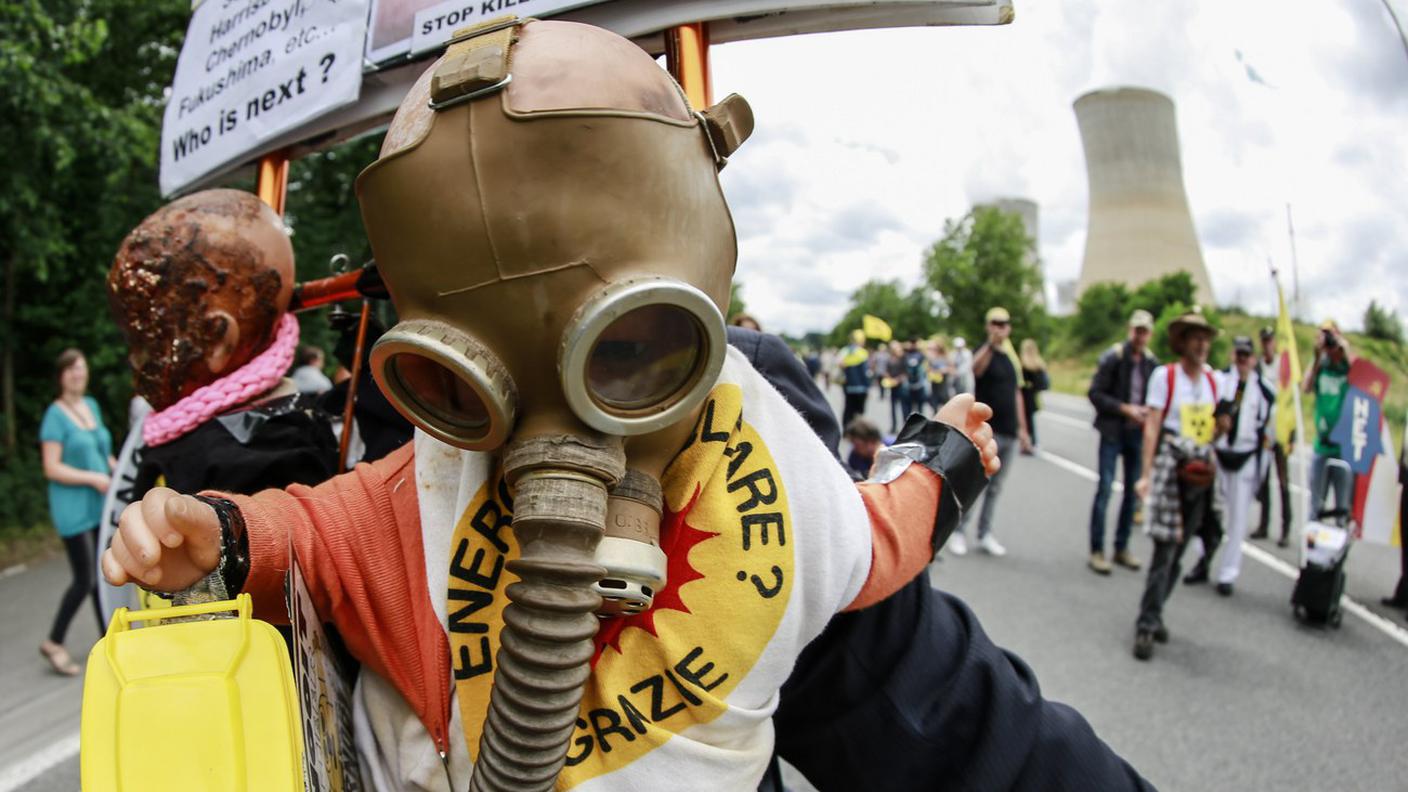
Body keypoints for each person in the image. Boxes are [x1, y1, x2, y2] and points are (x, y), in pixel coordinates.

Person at [102, 22, 1009, 790]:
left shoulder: (765, 444)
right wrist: (221, 533)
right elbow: (319, 536)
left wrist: (941, 464)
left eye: (626, 351)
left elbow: (867, 536)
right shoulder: (429, 483)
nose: (560, 421)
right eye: (468, 379)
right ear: (428, 375)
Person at [1132, 309, 1223, 661]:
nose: (1202, 344)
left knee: (1184, 550)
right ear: (1182, 341)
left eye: (1205, 338)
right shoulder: (1165, 377)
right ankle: (1146, 623)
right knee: (1164, 551)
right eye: (1195, 337)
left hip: (1202, 469)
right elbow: (1152, 426)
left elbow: (1214, 429)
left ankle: (1155, 612)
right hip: (1173, 468)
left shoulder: (1214, 381)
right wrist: (1146, 474)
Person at [39, 348, 112, 676]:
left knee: (101, 574)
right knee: (85, 578)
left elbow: (102, 453)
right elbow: (51, 468)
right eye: (70, 369)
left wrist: (121, 473)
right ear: (61, 376)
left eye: (81, 368)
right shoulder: (54, 416)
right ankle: (54, 641)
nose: (77, 374)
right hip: (72, 507)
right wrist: (93, 478)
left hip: (98, 504)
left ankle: (108, 640)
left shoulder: (91, 406)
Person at [947, 307, 1032, 557]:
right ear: (988, 326)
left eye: (1004, 324)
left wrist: (1024, 429)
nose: (999, 328)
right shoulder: (986, 353)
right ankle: (959, 532)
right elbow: (975, 369)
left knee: (996, 487)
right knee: (977, 483)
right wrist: (990, 345)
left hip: (1009, 430)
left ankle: (985, 533)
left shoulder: (1011, 358)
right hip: (987, 430)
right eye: (995, 323)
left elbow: (1017, 393)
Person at [1194, 336, 1274, 596]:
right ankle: (1202, 559)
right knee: (1207, 512)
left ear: (1253, 358)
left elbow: (1268, 431)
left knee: (1238, 518)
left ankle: (1228, 573)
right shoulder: (1218, 381)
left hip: (1245, 457)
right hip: (1219, 452)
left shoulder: (1264, 390)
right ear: (1232, 355)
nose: (1241, 360)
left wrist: (1262, 470)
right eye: (1238, 354)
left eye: (1246, 356)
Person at [1086, 310, 1157, 575]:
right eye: (1137, 330)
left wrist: (1146, 415)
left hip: (1136, 434)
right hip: (1113, 430)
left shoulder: (1152, 364)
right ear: (1131, 330)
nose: (1140, 336)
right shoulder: (1114, 357)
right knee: (1105, 488)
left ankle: (1121, 546)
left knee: (1131, 491)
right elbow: (1095, 393)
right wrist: (1124, 408)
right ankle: (1097, 549)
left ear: (1150, 334)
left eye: (1145, 331)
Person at [1303, 319, 1356, 516]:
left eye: (1331, 335)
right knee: (1315, 506)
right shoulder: (1320, 365)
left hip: (1344, 447)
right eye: (1324, 335)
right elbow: (1306, 387)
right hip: (1321, 444)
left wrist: (1344, 351)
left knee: (1343, 509)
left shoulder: (1347, 366)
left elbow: (1362, 383)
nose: (1328, 341)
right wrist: (1317, 357)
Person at [1253, 326, 1293, 546]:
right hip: (1264, 430)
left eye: (1270, 340)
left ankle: (1286, 528)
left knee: (1283, 481)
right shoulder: (1258, 366)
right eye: (1264, 340)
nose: (1267, 344)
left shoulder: (1283, 367)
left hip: (1282, 430)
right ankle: (1263, 524)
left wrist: (1293, 434)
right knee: (1264, 479)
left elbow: (1290, 401)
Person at [1018, 338, 1049, 451]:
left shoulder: (1022, 364)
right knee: (1030, 420)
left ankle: (1027, 441)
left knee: (1024, 421)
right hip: (1033, 396)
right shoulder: (1039, 364)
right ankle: (1034, 441)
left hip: (1024, 396)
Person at [839, 329, 871, 428]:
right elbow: (865, 373)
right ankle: (857, 431)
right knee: (859, 411)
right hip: (860, 387)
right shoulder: (863, 353)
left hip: (847, 386)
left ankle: (846, 429)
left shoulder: (844, 351)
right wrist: (867, 386)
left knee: (848, 408)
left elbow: (840, 365)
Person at [901, 339, 929, 426]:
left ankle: (920, 427)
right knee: (907, 410)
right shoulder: (905, 355)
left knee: (920, 409)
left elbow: (926, 367)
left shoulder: (921, 355)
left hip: (919, 385)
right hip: (908, 386)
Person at [925, 337, 952, 413]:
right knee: (934, 402)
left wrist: (944, 370)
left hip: (944, 383)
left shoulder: (946, 357)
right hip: (934, 382)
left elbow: (952, 369)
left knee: (944, 400)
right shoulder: (932, 357)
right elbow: (928, 369)